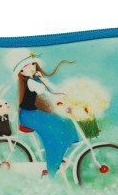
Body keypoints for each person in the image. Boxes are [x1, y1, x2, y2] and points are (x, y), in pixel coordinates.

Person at [6, 49, 79, 177]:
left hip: (33, 113)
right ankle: (52, 166)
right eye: (26, 66)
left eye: (33, 64)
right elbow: (47, 93)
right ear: (21, 71)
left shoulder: (34, 79)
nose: (31, 67)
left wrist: (42, 79)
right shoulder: (30, 82)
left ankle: (58, 155)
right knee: (52, 133)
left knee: (63, 121)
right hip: (29, 115)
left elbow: (51, 91)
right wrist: (59, 98)